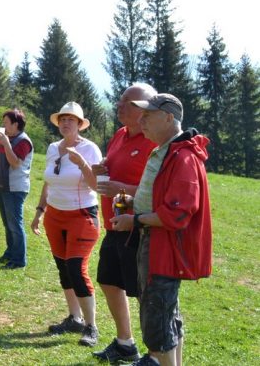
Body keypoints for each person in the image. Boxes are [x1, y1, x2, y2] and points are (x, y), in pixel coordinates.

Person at [110, 93, 211, 366]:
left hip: (163, 249)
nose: (141, 120)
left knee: (158, 322)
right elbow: (165, 199)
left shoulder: (183, 156)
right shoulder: (166, 149)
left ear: (168, 117)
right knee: (167, 318)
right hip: (155, 243)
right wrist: (134, 202)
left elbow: (178, 213)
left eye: (148, 115)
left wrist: (136, 220)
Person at [90, 83, 159, 363]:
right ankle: (125, 343)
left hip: (138, 227)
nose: (119, 105)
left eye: (127, 102)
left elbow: (156, 190)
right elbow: (115, 164)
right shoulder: (120, 134)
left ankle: (155, 354)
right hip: (114, 224)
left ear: (144, 109)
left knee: (146, 293)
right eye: (120, 100)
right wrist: (103, 168)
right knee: (108, 281)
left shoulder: (154, 140)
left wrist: (121, 186)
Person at [30, 102, 103, 347]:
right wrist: (40, 210)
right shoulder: (52, 148)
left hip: (82, 215)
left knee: (76, 268)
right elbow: (49, 181)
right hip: (54, 216)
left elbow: (98, 186)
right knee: (63, 268)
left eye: (71, 119)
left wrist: (82, 163)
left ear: (80, 124)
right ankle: (75, 318)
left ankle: (91, 326)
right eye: (62, 119)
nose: (66, 123)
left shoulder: (91, 149)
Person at [0, 108, 34, 268]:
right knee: (7, 223)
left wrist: (6, 143)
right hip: (2, 185)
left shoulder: (23, 141)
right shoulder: (7, 137)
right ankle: (10, 253)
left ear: (16, 124)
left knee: (15, 224)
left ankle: (19, 260)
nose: (4, 126)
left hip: (15, 188)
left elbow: (15, 162)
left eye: (6, 123)